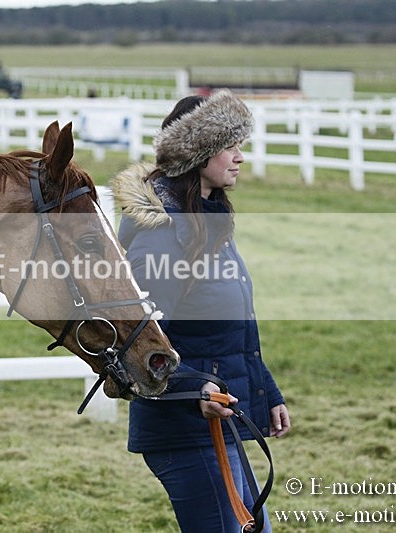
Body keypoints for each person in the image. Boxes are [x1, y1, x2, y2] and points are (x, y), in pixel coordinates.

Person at [112, 90, 291, 533]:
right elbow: (136, 346)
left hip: (217, 425)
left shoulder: (205, 221)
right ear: (198, 153)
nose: (240, 157)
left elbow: (228, 330)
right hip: (185, 430)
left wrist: (266, 391)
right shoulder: (164, 236)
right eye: (230, 146)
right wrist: (195, 392)